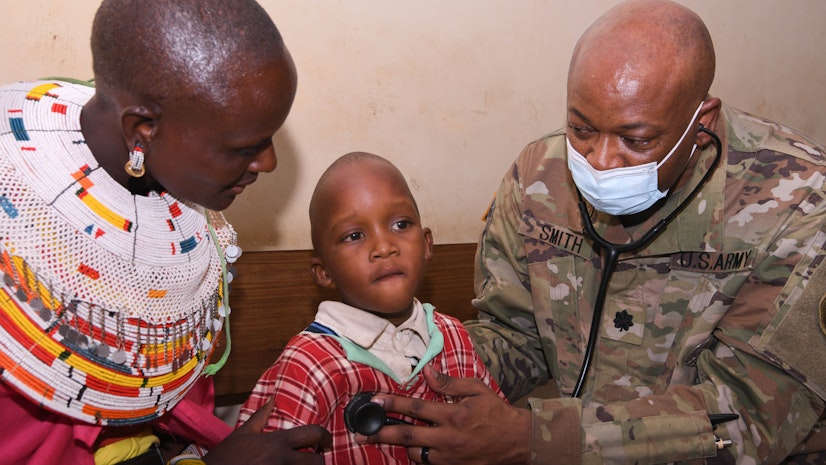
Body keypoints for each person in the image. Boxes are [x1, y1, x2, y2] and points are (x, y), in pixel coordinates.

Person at [362, 1, 826, 464]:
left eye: (637, 139)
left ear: (700, 124)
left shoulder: (800, 204)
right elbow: (516, 335)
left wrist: (537, 439)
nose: (600, 161)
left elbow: (749, 418)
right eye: (580, 129)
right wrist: (415, 372)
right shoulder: (539, 177)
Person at [0, 0, 332, 464]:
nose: (269, 163)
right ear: (143, 131)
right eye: (244, 148)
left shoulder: (186, 222)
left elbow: (163, 411)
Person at [236, 152, 505, 464]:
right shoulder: (310, 365)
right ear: (324, 272)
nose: (383, 247)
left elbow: (493, 433)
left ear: (427, 243)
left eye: (401, 224)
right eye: (354, 235)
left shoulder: (454, 338)